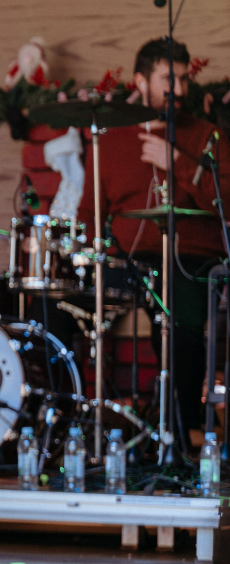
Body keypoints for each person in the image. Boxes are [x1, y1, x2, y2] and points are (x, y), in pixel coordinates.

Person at [78, 38, 230, 438]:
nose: (178, 91)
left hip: (189, 260)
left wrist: (177, 162)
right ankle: (74, 423)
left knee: (179, 314)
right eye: (168, 80)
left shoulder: (206, 137)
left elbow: (227, 201)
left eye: (182, 79)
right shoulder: (110, 142)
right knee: (58, 303)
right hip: (126, 261)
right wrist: (82, 254)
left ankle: (186, 431)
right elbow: (90, 214)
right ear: (140, 81)